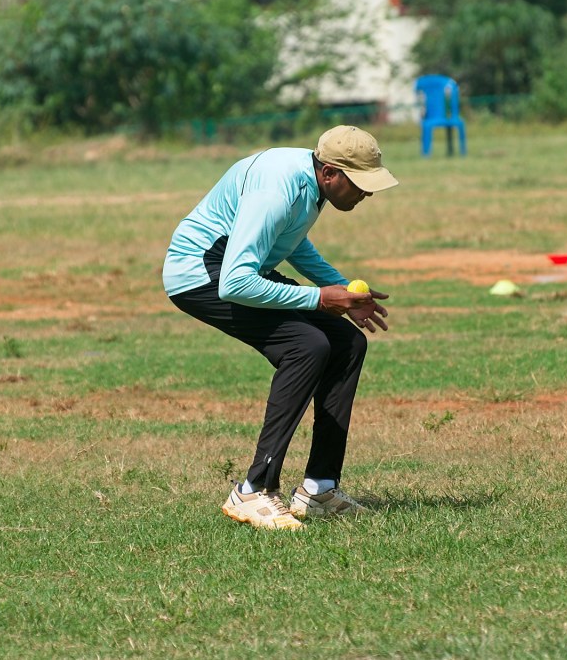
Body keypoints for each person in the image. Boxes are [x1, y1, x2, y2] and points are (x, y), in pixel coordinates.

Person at [162, 125, 399, 530]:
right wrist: (321, 298)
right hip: (200, 275)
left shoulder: (310, 182)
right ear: (330, 173)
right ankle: (253, 490)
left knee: (346, 343)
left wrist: (340, 290)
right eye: (360, 184)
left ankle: (320, 489)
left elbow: (292, 243)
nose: (368, 193)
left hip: (236, 270)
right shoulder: (278, 190)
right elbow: (234, 283)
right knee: (305, 346)